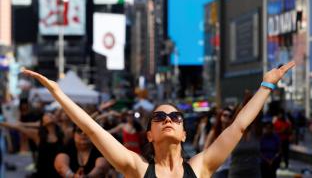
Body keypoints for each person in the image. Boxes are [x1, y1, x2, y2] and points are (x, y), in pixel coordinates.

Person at [22, 61, 295, 177]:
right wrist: (57, 92)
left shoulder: (200, 167)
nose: (169, 119)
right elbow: (93, 130)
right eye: (160, 116)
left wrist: (266, 86)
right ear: (149, 134)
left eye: (175, 116)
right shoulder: (137, 168)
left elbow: (239, 126)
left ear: (184, 132)